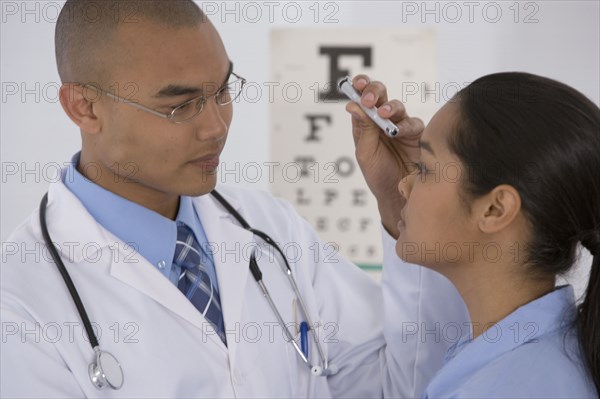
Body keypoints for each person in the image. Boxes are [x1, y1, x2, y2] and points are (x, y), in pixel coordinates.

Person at [0, 1, 468, 397]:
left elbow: (402, 386)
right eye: (180, 106)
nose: (217, 127)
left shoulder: (269, 228)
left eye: (222, 90)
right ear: (84, 106)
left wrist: (402, 208)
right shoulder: (20, 303)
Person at [347, 72, 599, 397]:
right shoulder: (548, 358)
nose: (404, 183)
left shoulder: (507, 386)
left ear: (494, 209)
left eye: (424, 169)